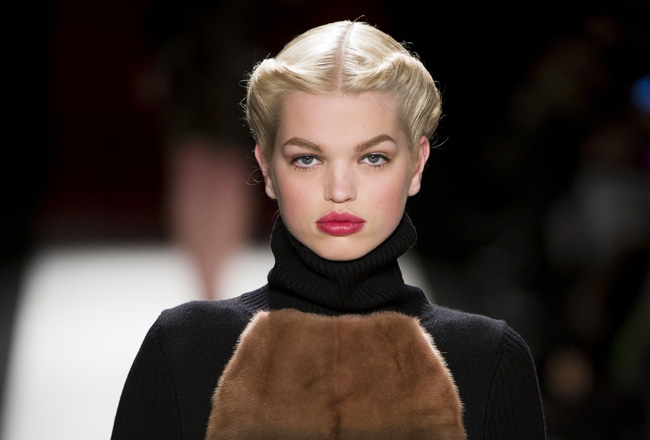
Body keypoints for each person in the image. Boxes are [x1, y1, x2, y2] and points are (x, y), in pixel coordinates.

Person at [111, 20, 546, 439]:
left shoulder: (488, 361)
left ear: (417, 165)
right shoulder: (184, 350)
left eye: (372, 158)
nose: (339, 190)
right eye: (308, 159)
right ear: (267, 168)